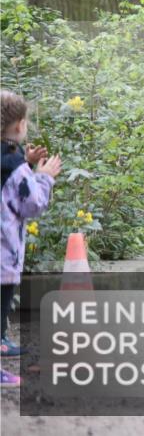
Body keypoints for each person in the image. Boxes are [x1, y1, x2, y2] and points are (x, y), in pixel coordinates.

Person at [1, 90, 61, 388]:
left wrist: (25, 162)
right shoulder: (13, 165)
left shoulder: (13, 161)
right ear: (20, 124)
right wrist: (44, 175)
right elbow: (31, 203)